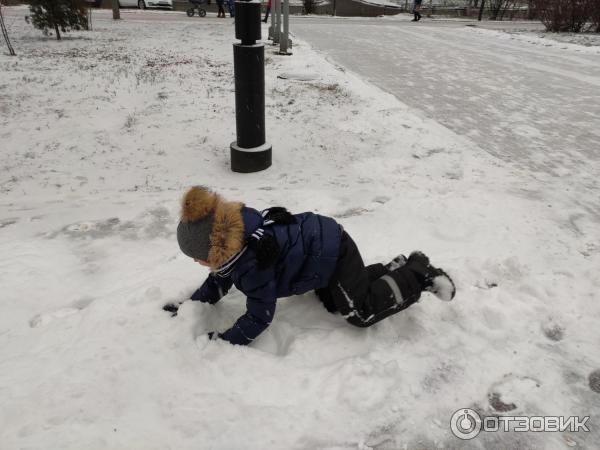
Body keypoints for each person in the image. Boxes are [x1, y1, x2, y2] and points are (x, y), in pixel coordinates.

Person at [170, 186, 456, 346]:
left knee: (359, 312)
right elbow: (219, 280)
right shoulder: (240, 238)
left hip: (334, 253)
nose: (197, 263)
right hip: (322, 251)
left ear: (216, 250)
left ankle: (420, 273)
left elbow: (260, 315)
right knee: (332, 300)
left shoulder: (252, 263)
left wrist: (225, 341)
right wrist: (190, 305)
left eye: (198, 257)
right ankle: (394, 270)